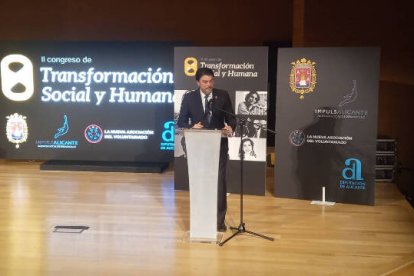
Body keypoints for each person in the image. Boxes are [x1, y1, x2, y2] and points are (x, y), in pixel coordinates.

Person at [177, 67, 236, 232]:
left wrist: (230, 127)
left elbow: (231, 117)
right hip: (197, 147)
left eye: (211, 81)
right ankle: (200, 217)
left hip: (219, 146)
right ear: (197, 82)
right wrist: (191, 126)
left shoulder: (222, 95)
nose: (208, 84)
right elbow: (181, 121)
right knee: (200, 183)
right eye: (205, 82)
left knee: (219, 183)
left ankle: (219, 221)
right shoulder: (189, 98)